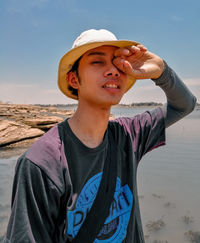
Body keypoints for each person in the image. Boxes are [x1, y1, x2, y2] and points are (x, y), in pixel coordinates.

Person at [3, 29, 196, 243]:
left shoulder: (128, 134)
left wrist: (161, 71)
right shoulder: (40, 163)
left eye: (118, 63)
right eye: (97, 62)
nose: (112, 71)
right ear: (74, 79)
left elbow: (185, 105)